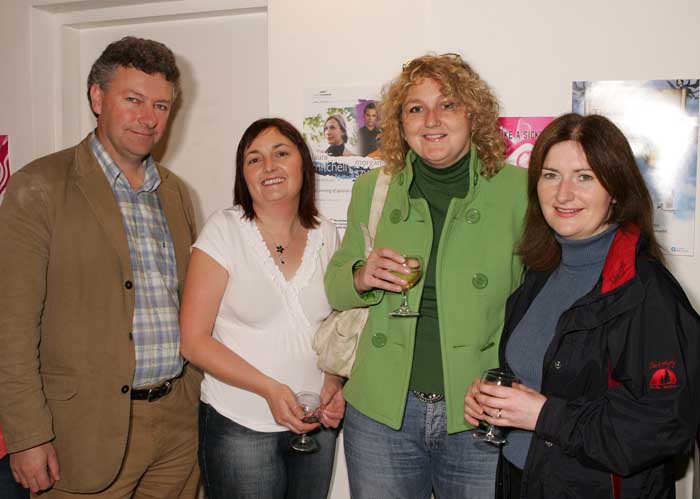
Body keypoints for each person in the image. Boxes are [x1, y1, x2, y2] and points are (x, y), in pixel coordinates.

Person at [0, 37, 200, 497]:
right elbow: (10, 327)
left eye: (161, 105)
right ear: (97, 97)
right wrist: (28, 436)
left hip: (176, 427)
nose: (149, 118)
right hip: (81, 433)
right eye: (133, 100)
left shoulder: (174, 193)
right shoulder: (40, 186)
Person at [465, 113, 700, 498]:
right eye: (551, 175)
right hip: (524, 481)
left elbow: (666, 426)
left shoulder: (647, 292)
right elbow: (543, 376)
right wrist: (491, 399)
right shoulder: (540, 273)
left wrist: (544, 415)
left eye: (584, 177)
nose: (563, 194)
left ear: (617, 189)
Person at [324, 53, 527, 498]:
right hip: (381, 413)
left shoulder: (518, 191)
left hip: (478, 413)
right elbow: (336, 284)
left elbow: (539, 306)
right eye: (416, 108)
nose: (431, 119)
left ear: (473, 115)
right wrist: (362, 275)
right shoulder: (373, 188)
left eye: (447, 104)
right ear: (400, 123)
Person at [179, 118, 345, 499]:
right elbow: (193, 341)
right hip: (240, 425)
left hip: (314, 426)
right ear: (243, 175)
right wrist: (269, 389)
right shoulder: (223, 230)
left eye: (281, 154)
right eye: (254, 160)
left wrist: (334, 384)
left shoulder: (327, 232)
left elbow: (338, 326)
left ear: (303, 162)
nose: (269, 167)